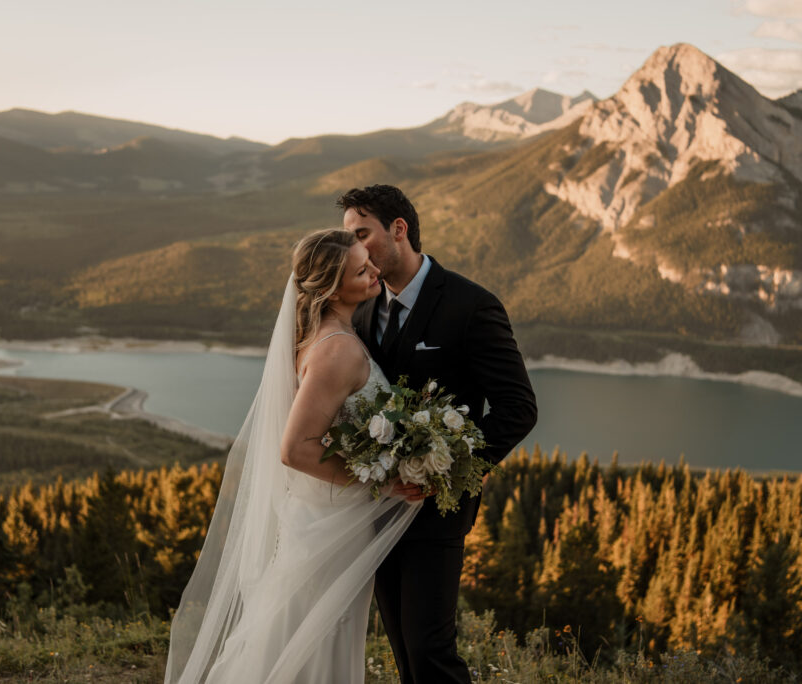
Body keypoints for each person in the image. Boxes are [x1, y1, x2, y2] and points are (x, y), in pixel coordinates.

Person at [165, 228, 422, 684]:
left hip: (323, 516)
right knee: (312, 638)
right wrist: (380, 480)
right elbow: (295, 448)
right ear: (329, 289)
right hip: (330, 524)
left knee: (302, 633)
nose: (376, 272)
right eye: (362, 270)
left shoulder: (331, 332)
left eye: (369, 262)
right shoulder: (337, 350)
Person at [340, 184, 538, 684]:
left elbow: (518, 409)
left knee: (431, 649)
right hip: (377, 506)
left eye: (362, 235)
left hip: (438, 507)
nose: (356, 251)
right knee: (405, 650)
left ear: (399, 230)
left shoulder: (471, 305)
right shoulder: (362, 309)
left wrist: (446, 470)